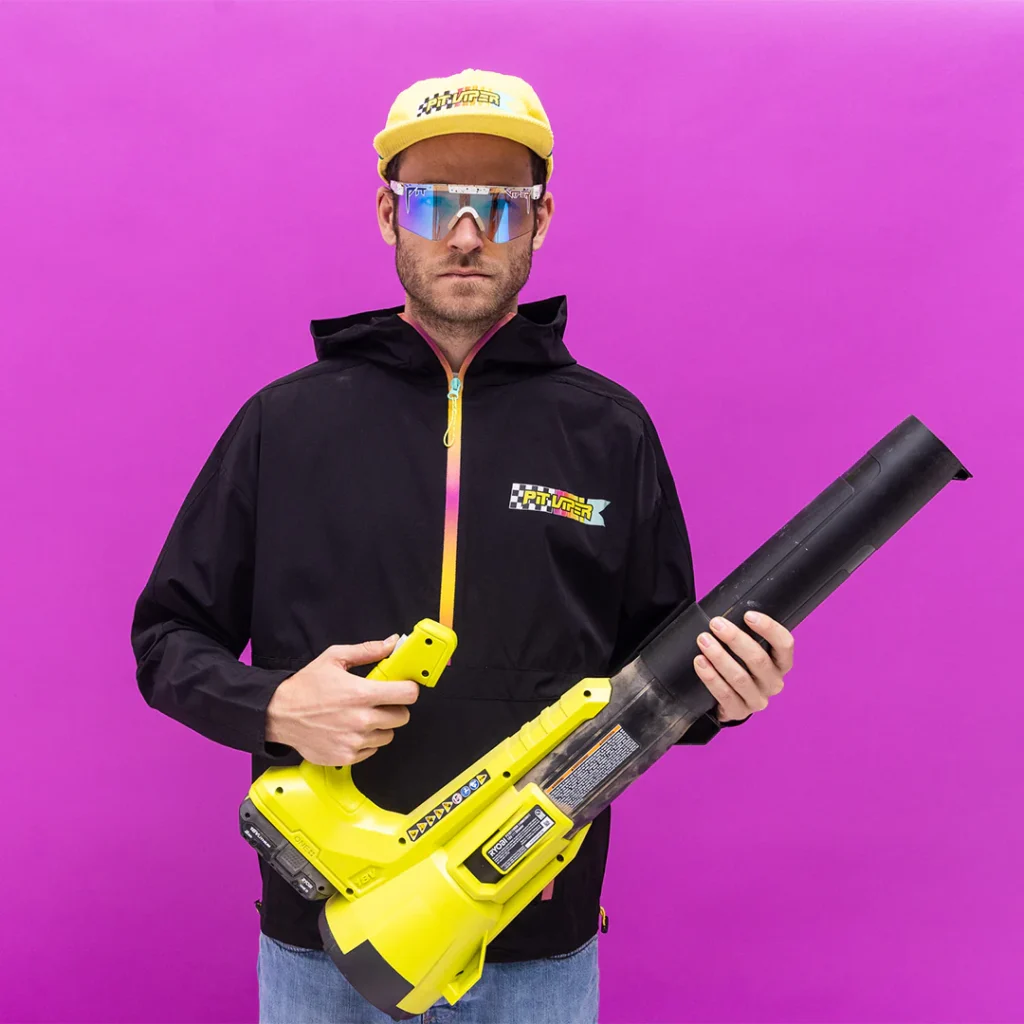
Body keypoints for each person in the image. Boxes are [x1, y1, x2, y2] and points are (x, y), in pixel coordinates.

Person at [131, 68, 795, 1024]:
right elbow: (166, 641)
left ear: (541, 219)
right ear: (388, 214)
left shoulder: (609, 433)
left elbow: (654, 682)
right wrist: (274, 705)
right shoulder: (284, 424)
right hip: (323, 940)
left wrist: (725, 693)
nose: (468, 233)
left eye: (501, 204)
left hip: (534, 942)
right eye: (435, 201)